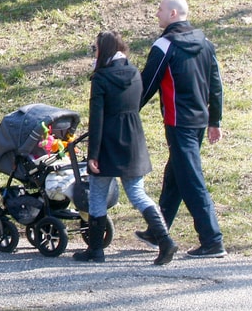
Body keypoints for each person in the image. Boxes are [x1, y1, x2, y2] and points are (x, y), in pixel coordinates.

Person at [73, 31, 178, 265]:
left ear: (104, 50)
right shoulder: (134, 73)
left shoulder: (100, 78)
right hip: (133, 139)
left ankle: (96, 250)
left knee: (98, 194)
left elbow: (97, 118)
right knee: (138, 193)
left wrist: (93, 155)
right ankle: (165, 240)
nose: (94, 52)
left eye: (95, 48)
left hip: (108, 141)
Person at [137, 0, 226, 258]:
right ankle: (157, 231)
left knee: (190, 179)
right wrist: (214, 120)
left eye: (160, 9)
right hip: (198, 122)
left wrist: (125, 113)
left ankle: (212, 240)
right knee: (175, 175)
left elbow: (146, 85)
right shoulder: (206, 42)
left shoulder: (164, 45)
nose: (157, 14)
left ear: (173, 14)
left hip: (178, 123)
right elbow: (216, 85)